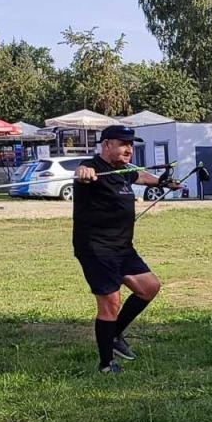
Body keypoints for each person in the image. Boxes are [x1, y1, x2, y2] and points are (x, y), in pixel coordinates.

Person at [72, 125, 181, 374]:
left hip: (122, 247)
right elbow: (80, 173)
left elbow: (140, 177)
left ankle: (114, 333)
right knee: (111, 302)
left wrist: (163, 182)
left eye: (131, 144)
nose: (129, 149)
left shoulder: (121, 171)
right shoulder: (91, 168)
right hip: (96, 247)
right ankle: (106, 364)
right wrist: (83, 173)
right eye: (123, 144)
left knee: (149, 287)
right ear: (107, 144)